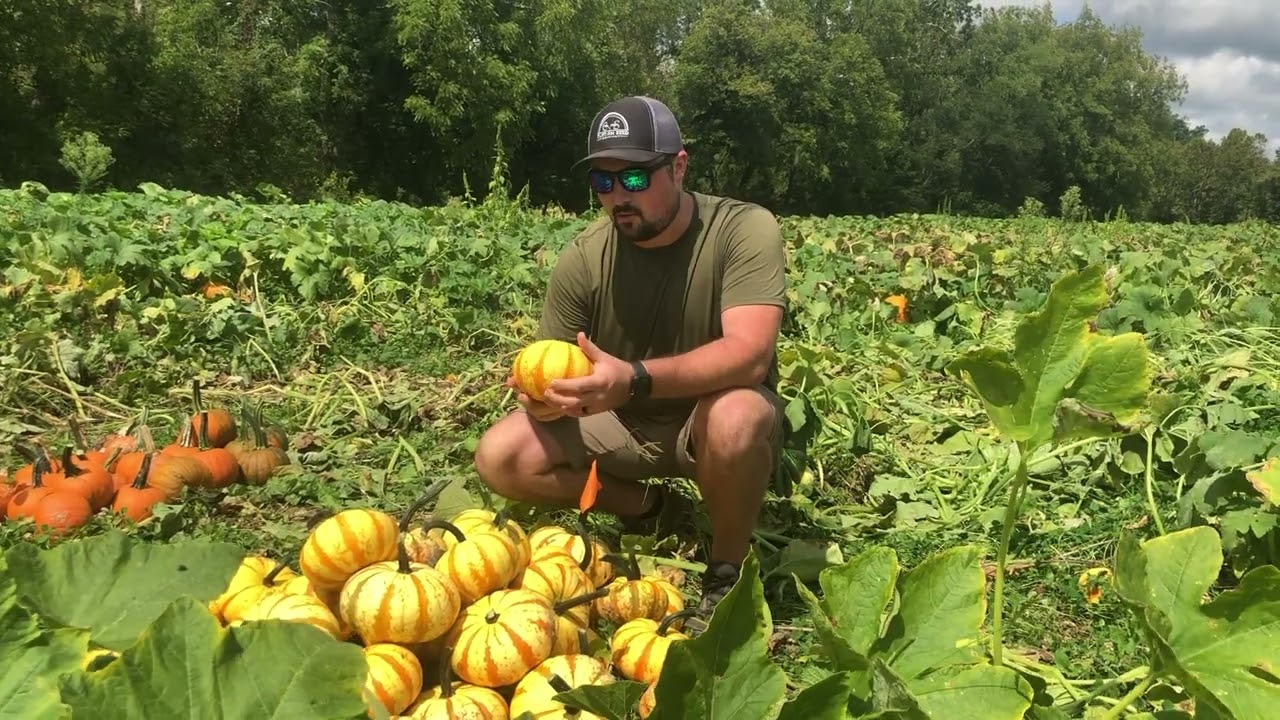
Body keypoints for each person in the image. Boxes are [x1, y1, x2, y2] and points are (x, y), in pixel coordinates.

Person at [472, 95, 789, 630]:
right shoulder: (583, 257)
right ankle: (648, 506)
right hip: (619, 425)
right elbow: (550, 363)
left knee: (736, 418)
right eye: (603, 182)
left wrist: (634, 380)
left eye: (635, 179)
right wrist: (546, 400)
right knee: (501, 454)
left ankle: (725, 572)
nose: (618, 196)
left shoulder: (742, 229)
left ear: (679, 166)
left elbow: (751, 355)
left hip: (706, 420)